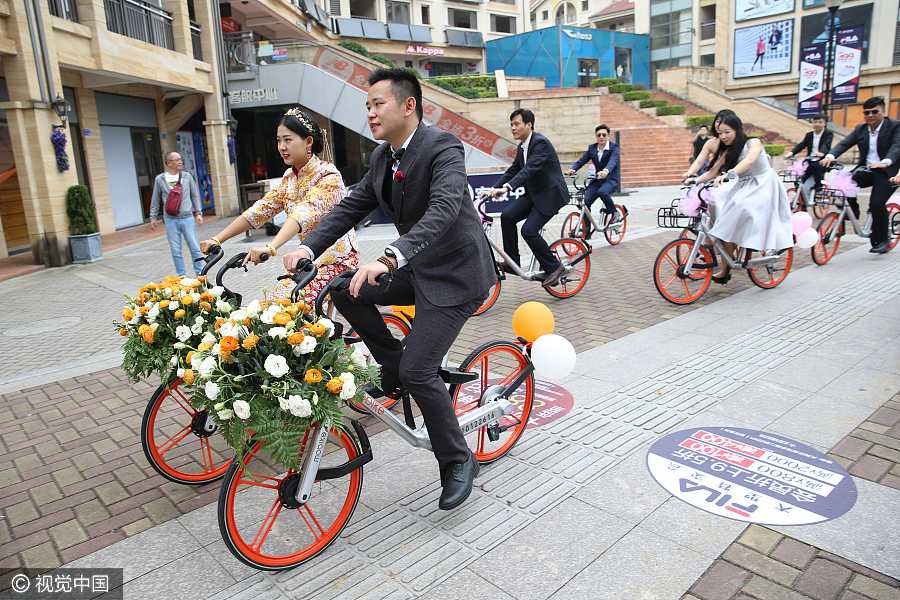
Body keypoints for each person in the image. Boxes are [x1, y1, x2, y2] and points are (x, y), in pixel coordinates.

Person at [281, 68, 496, 511]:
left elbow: (443, 208)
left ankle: (458, 460)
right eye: (367, 106)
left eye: (378, 104)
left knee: (422, 372)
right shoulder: (383, 157)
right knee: (344, 288)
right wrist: (307, 247)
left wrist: (391, 256)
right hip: (418, 269)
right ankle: (394, 366)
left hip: (456, 277)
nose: (371, 113)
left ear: (408, 105)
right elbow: (350, 207)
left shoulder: (443, 146)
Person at [199, 109, 358, 305]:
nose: (282, 147)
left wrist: (271, 247)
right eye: (279, 140)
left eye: (288, 140)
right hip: (306, 260)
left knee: (289, 304)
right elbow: (259, 210)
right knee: (275, 304)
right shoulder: (289, 178)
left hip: (335, 260)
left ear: (308, 141)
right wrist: (217, 239)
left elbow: (302, 214)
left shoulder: (328, 176)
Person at [688, 114, 792, 282]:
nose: (723, 136)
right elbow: (714, 171)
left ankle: (755, 241)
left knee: (740, 206)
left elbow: (749, 161)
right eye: (720, 133)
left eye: (727, 132)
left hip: (763, 184)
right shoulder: (729, 150)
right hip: (744, 186)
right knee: (723, 226)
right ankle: (726, 270)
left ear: (737, 130)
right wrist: (694, 180)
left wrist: (730, 174)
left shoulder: (753, 143)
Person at [481, 109, 569, 288]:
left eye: (516, 124)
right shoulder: (522, 146)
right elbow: (514, 170)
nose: (513, 128)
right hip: (534, 194)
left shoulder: (541, 143)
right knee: (507, 216)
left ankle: (555, 267)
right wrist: (493, 188)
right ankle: (513, 262)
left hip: (550, 195)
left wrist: (507, 188)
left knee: (528, 230)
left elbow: (530, 169)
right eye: (511, 125)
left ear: (529, 125)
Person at [821, 96, 900, 253]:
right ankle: (853, 211)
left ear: (883, 111)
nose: (870, 115)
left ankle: (882, 241)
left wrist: (885, 162)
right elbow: (845, 143)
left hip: (886, 172)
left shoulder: (895, 126)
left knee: (876, 204)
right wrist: (830, 156)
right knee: (841, 186)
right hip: (867, 169)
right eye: (867, 112)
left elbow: (897, 146)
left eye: (875, 112)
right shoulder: (860, 129)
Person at [149, 152, 204, 278]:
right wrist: (153, 217)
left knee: (195, 248)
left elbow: (194, 195)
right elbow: (155, 199)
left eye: (180, 159)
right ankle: (182, 276)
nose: (180, 162)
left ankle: (200, 274)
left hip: (187, 218)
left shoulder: (187, 176)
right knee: (176, 250)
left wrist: (198, 212)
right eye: (177, 160)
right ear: (169, 163)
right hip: (170, 220)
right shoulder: (160, 179)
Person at [565, 124, 622, 236]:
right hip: (597, 180)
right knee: (585, 202)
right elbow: (582, 160)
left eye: (604, 135)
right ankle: (586, 229)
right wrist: (573, 169)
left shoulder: (614, 147)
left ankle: (614, 212)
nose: (601, 137)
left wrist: (606, 171)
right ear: (596, 136)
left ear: (608, 136)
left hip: (611, 179)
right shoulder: (592, 148)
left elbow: (613, 161)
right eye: (599, 135)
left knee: (602, 192)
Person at [784, 113, 832, 196]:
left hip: (822, 161)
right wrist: (791, 152)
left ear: (825, 123)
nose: (817, 124)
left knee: (816, 166)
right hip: (810, 160)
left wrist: (822, 153)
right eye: (815, 122)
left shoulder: (828, 134)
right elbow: (801, 145)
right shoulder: (809, 135)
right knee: (799, 180)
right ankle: (801, 198)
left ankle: (819, 188)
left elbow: (826, 144)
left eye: (820, 122)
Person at [683, 109, 737, 183]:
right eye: (717, 121)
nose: (719, 124)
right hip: (721, 180)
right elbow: (699, 161)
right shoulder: (711, 143)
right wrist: (690, 172)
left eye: (723, 121)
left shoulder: (744, 143)